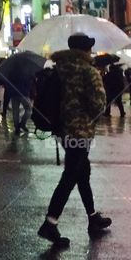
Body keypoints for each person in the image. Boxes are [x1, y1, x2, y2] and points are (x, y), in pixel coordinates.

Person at [38, 34, 111, 247]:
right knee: (70, 176)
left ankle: (92, 216)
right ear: (86, 51)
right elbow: (99, 105)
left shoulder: (60, 69)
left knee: (82, 173)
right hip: (81, 131)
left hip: (63, 130)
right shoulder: (88, 72)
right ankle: (50, 223)